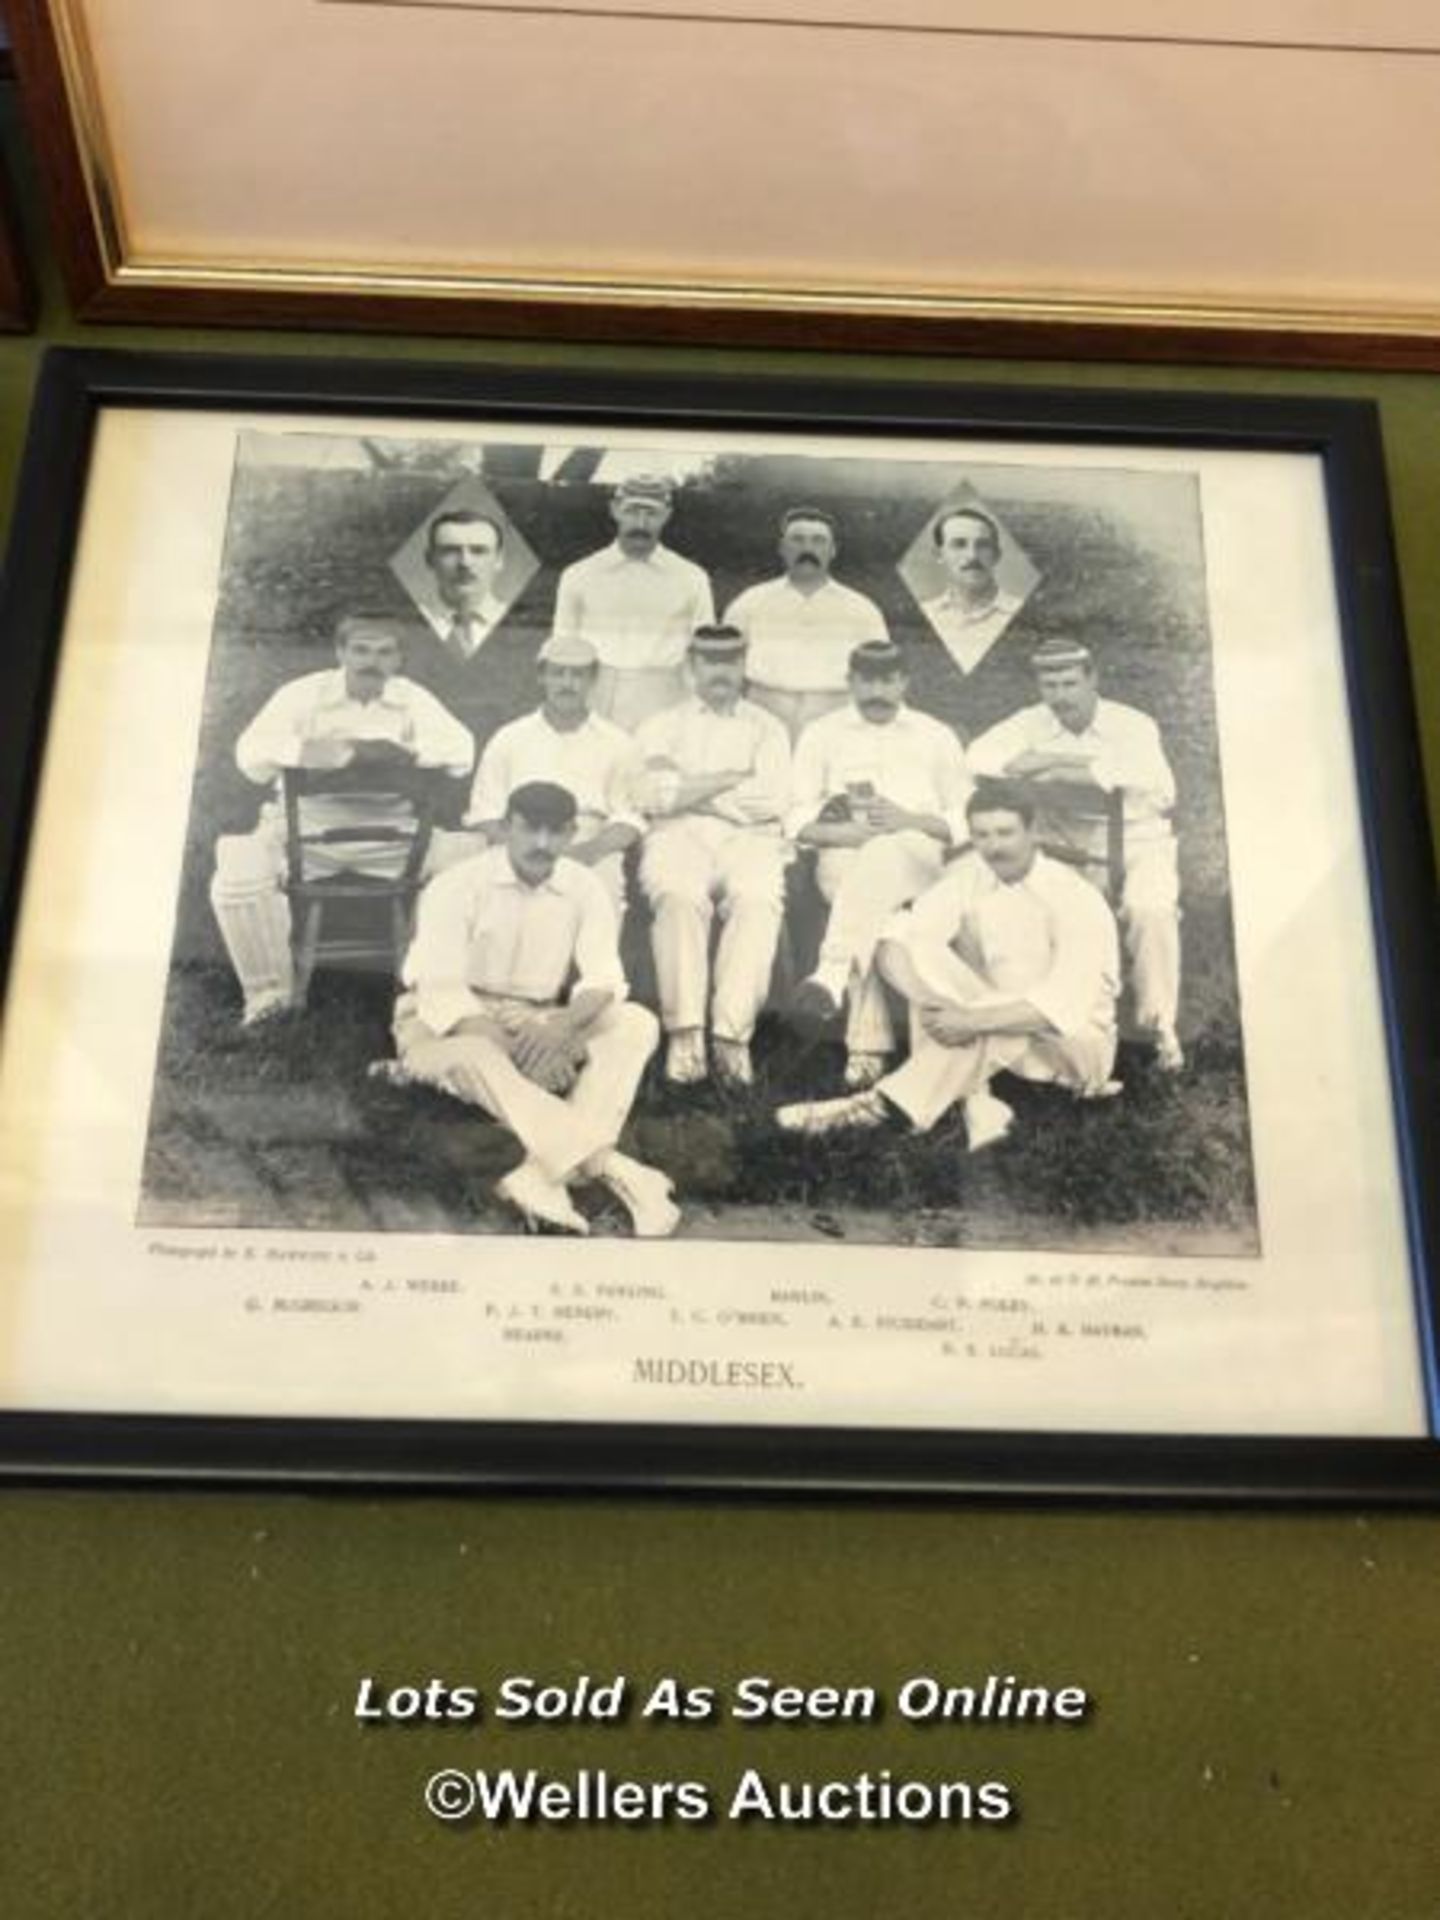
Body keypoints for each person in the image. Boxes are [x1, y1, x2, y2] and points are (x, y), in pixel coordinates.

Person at [390, 781, 677, 1237]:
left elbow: (603, 978)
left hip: (539, 1016)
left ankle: (539, 1177)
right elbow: (441, 989)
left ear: (571, 833)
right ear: (506, 827)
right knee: (475, 1055)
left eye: (555, 832)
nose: (541, 844)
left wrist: (560, 1028)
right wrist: (524, 1056)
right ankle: (619, 1170)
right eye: (528, 829)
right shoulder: (456, 884)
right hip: (449, 1021)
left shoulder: (584, 887)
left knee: (635, 1023)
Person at [777, 782, 1120, 1148]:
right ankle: (980, 1101)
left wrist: (966, 1020)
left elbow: (1059, 1009)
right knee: (904, 935)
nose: (995, 846)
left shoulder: (1076, 898)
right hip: (997, 1028)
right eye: (982, 835)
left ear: (1033, 831)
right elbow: (903, 938)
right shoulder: (972, 879)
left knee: (983, 1015)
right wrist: (940, 1004)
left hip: (1071, 1047)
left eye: (1006, 833)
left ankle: (879, 1107)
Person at [210, 612, 473, 1027]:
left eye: (385, 652)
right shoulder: (303, 694)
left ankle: (433, 995)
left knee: (472, 864)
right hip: (304, 841)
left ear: (399, 659)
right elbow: (250, 756)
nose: (372, 662)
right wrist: (309, 751)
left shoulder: (412, 698)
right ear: (340, 653)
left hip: (394, 845)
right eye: (361, 650)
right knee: (237, 869)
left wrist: (393, 752)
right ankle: (269, 998)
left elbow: (462, 751)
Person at [966, 636, 1183, 1069]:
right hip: (1063, 843)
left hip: (1140, 840)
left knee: (1150, 909)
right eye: (1051, 686)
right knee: (1038, 913)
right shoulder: (1031, 721)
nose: (1060, 696)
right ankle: (1048, 1029)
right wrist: (1062, 761)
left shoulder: (1132, 724)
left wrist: (1046, 764)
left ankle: (1158, 1027)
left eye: (1069, 684)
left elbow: (1143, 778)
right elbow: (978, 757)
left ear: (1092, 680)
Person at [787, 640, 972, 1087]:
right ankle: (884, 1042)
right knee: (875, 914)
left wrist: (909, 820)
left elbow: (965, 814)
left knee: (884, 854)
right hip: (843, 853)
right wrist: (841, 834)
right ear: (850, 682)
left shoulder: (935, 735)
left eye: (888, 679)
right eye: (866, 679)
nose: (877, 690)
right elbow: (793, 814)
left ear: (904, 681)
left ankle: (852, 1016)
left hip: (917, 853)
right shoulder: (821, 734)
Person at [633, 625, 792, 1087]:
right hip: (676, 834)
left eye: (731, 662)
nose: (721, 671)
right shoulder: (660, 725)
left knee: (757, 899)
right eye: (710, 661)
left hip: (751, 837)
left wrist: (690, 789)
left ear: (743, 668)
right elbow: (651, 795)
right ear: (692, 668)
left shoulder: (768, 728)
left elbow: (771, 801)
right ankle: (685, 1033)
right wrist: (730, 779)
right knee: (679, 895)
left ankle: (731, 1037)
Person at [463, 634, 643, 915]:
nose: (567, 684)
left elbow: (628, 819)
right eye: (558, 673)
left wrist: (585, 853)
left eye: (577, 675)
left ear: (593, 679)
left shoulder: (619, 742)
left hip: (588, 845)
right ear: (542, 677)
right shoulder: (509, 738)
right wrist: (524, 850)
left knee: (603, 895)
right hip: (516, 845)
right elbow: (484, 815)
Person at [551, 473, 714, 730]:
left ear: (667, 514)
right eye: (631, 511)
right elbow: (562, 649)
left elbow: (703, 653)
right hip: (597, 694)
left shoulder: (691, 578)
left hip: (665, 697)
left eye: (651, 513)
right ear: (615, 510)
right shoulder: (579, 575)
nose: (640, 523)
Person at [724, 506, 891, 740]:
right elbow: (725, 663)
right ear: (782, 548)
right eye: (797, 540)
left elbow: (882, 671)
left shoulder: (861, 608)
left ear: (833, 550)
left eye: (818, 541)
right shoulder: (750, 601)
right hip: (764, 710)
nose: (807, 548)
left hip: (834, 713)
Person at [919, 506, 1024, 676]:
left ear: (996, 555)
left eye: (983, 546)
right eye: (959, 544)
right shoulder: (925, 613)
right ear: (939, 554)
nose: (972, 556)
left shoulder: (1019, 612)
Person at [416, 509, 510, 661]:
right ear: (430, 559)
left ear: (499, 560)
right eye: (450, 551)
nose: (465, 563)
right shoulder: (411, 621)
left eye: (479, 551)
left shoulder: (520, 622)